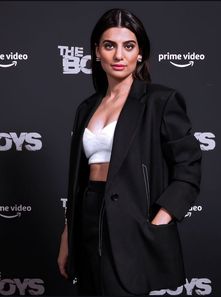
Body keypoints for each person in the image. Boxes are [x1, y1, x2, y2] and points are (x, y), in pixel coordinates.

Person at [57, 8, 202, 296]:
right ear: (97, 52)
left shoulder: (160, 100)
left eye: (129, 46)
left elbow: (189, 167)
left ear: (141, 54)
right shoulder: (86, 107)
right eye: (109, 45)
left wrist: (160, 218)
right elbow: (79, 180)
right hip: (87, 217)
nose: (119, 55)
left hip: (134, 221)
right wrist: (67, 234)